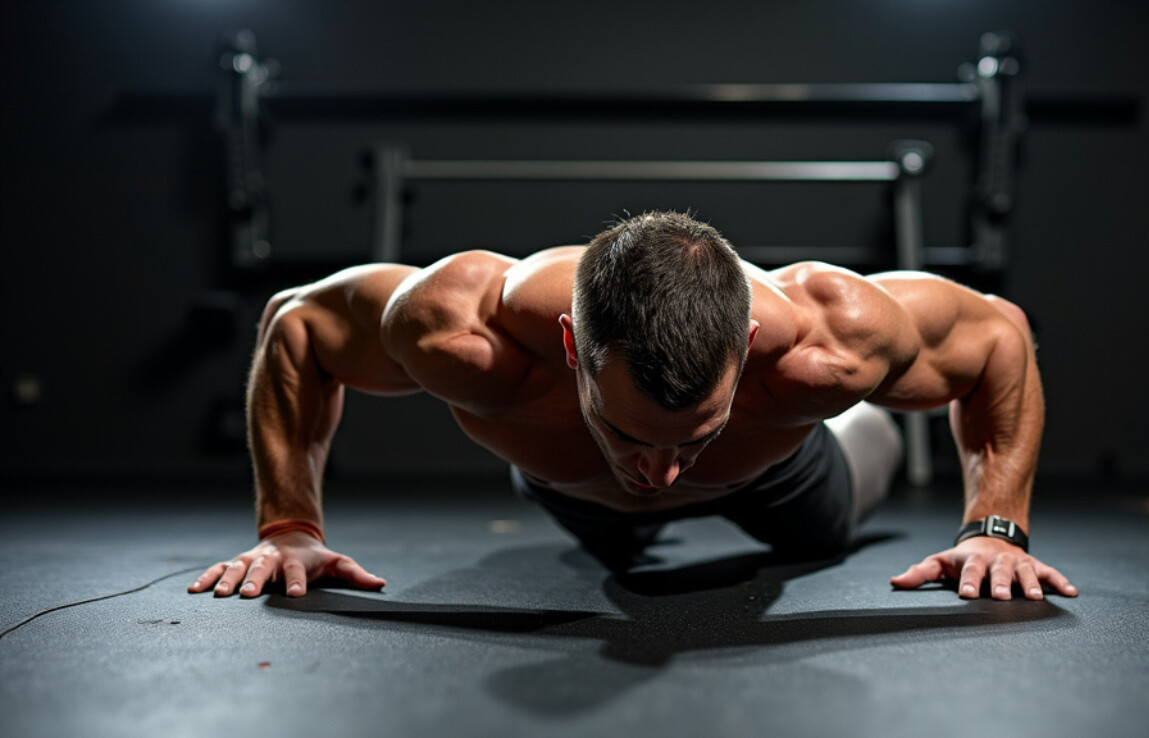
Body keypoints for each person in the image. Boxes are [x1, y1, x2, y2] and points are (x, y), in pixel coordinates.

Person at [189, 211, 1077, 602]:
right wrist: (288, 529)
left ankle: (845, 432)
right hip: (568, 491)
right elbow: (297, 325)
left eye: (695, 434)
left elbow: (1000, 335)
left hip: (782, 476)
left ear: (747, 357)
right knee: (614, 532)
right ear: (573, 349)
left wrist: (993, 529)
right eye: (628, 431)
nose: (660, 470)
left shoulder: (826, 343)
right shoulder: (464, 330)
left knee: (843, 475)